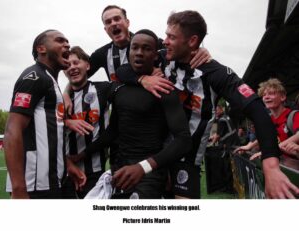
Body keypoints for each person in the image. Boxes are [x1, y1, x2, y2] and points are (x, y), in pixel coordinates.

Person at [117, 11, 299, 199]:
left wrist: (271, 167)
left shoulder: (216, 73)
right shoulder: (162, 58)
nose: (165, 41)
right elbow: (123, 70)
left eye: (171, 37)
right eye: (166, 35)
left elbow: (258, 111)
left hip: (186, 161)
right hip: (154, 155)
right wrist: (143, 79)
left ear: (192, 41)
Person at [85, 29, 192, 199]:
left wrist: (144, 167)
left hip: (149, 174)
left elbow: (183, 140)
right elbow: (113, 131)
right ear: (129, 52)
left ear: (156, 56)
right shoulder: (120, 89)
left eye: (146, 48)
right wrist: (81, 154)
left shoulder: (165, 90)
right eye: (134, 48)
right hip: (119, 172)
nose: (139, 53)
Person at [4, 30, 86, 199]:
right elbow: (12, 131)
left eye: (68, 43)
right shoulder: (34, 77)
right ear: (41, 49)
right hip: (35, 186)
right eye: (60, 41)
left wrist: (66, 164)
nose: (67, 45)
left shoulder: (51, 81)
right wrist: (19, 189)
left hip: (56, 180)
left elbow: (51, 133)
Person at [62, 46, 112, 198]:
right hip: (65, 172)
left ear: (88, 66)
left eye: (76, 63)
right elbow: (50, 130)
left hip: (95, 172)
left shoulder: (103, 89)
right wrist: (66, 121)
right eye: (68, 65)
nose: (72, 67)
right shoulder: (57, 97)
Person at [236, 79, 299, 169]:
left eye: (271, 93)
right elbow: (266, 135)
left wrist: (271, 150)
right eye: (264, 95)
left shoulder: (294, 115)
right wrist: (250, 145)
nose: (266, 97)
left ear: (283, 97)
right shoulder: (268, 119)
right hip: (281, 165)